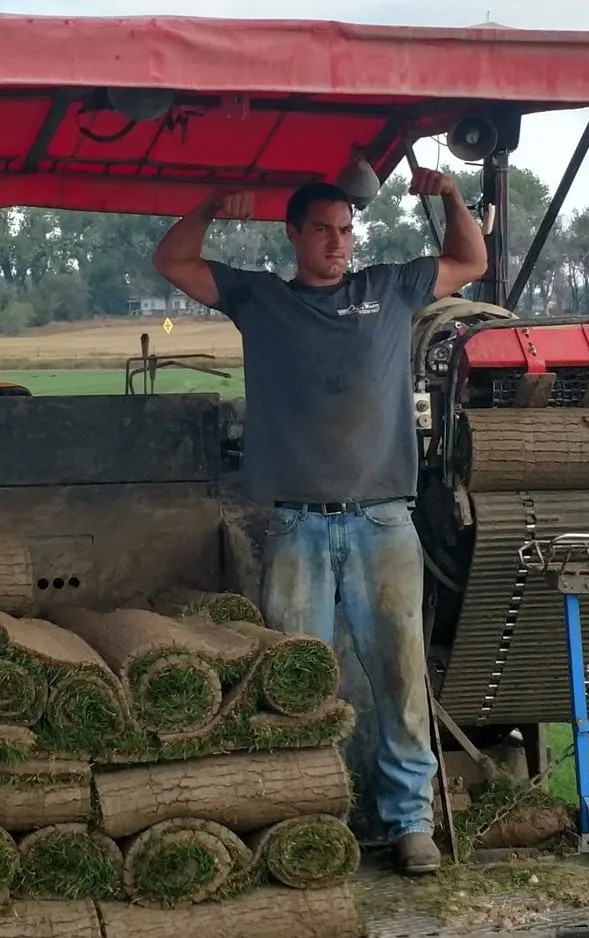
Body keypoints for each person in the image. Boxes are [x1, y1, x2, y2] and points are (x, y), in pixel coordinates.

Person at [152, 170, 487, 874]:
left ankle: (409, 824)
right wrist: (212, 202)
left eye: (346, 230)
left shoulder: (391, 288)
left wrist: (452, 196)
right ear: (295, 235)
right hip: (297, 528)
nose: (338, 243)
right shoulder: (261, 299)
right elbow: (173, 261)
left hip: (385, 523)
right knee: (296, 681)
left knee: (400, 680)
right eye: (323, 230)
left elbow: (471, 262)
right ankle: (307, 814)